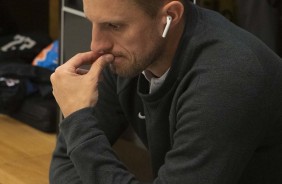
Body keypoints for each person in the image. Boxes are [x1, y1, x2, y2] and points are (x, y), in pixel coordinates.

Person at [49, 0, 282, 183]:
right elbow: (66, 162)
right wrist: (77, 125)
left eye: (114, 26)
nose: (96, 45)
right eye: (93, 22)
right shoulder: (128, 56)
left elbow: (80, 148)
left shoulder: (229, 77)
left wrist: (78, 121)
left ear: (169, 17)